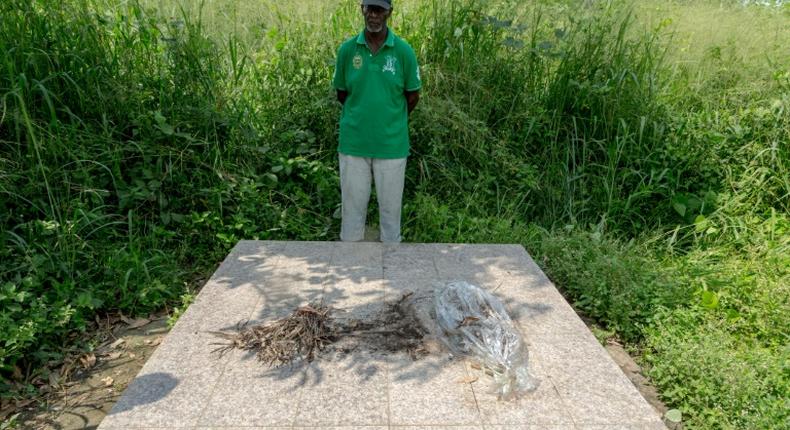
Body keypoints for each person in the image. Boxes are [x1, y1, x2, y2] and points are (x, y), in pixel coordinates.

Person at [332, 0, 421, 243]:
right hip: (353, 145)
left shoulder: (403, 51)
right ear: (361, 10)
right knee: (351, 218)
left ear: (389, 13)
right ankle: (351, 276)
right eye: (369, 9)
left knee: (391, 220)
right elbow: (342, 94)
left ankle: (390, 277)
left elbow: (412, 97)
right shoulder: (348, 50)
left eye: (379, 10)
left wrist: (388, 120)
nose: (373, 15)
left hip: (392, 147)